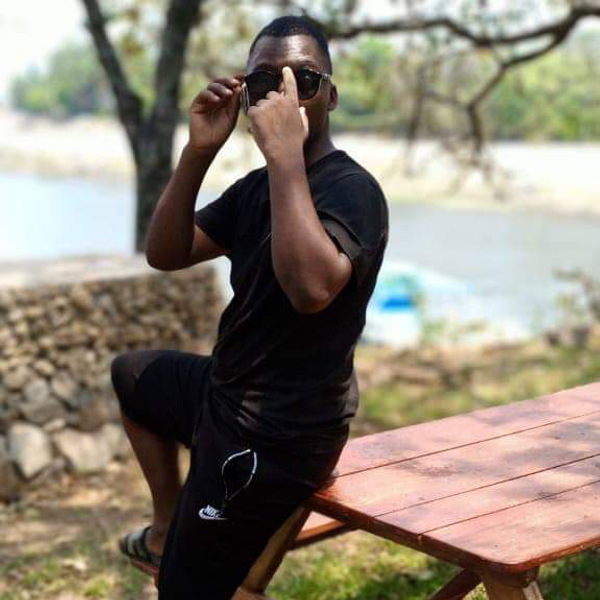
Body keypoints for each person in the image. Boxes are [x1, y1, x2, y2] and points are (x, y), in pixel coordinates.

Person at [112, 14, 389, 599]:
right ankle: (165, 530)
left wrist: (286, 156)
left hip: (282, 430)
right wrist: (198, 152)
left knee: (184, 591)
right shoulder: (256, 188)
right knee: (133, 375)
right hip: (227, 393)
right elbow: (166, 252)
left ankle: (187, 555)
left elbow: (310, 291)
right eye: (264, 81)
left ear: (330, 96)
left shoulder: (353, 191)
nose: (283, 96)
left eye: (302, 80)